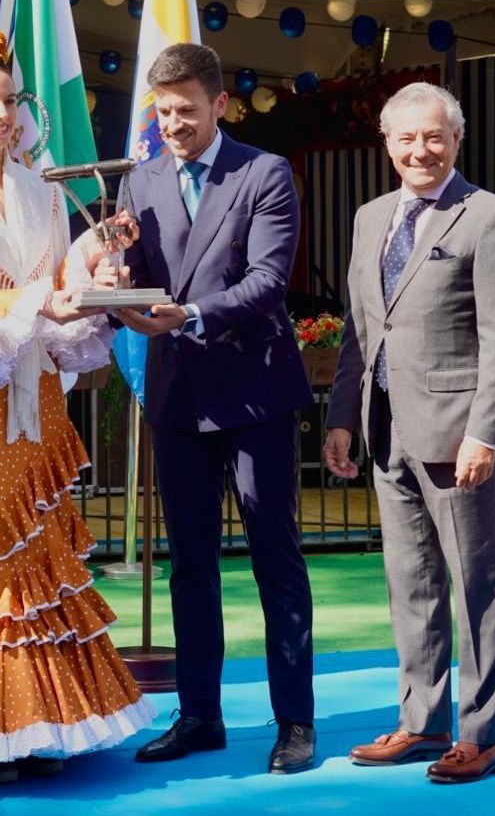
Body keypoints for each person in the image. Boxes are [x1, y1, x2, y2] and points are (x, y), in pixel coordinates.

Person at [0, 26, 154, 783]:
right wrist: (42, 297)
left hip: (36, 396)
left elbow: (60, 275)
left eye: (10, 101)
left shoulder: (46, 189)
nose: (2, 115)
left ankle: (34, 725)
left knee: (33, 554)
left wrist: (96, 251)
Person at [113, 42, 317, 775]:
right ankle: (199, 714)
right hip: (175, 396)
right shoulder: (139, 183)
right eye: (163, 113)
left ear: (219, 105)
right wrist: (113, 274)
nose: (173, 125)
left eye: (186, 113)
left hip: (256, 394)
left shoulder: (264, 173)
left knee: (275, 560)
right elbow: (131, 280)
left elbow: (268, 281)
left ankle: (294, 720)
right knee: (189, 566)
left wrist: (191, 313)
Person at [323, 82, 495, 784]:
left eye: (434, 137)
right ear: (387, 144)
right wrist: (342, 417)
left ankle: (482, 734)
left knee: (475, 587)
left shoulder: (489, 216)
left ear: (457, 141)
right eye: (407, 138)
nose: (421, 150)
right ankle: (422, 721)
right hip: (386, 435)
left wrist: (485, 434)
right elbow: (360, 329)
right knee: (409, 584)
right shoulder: (370, 216)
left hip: (455, 438)